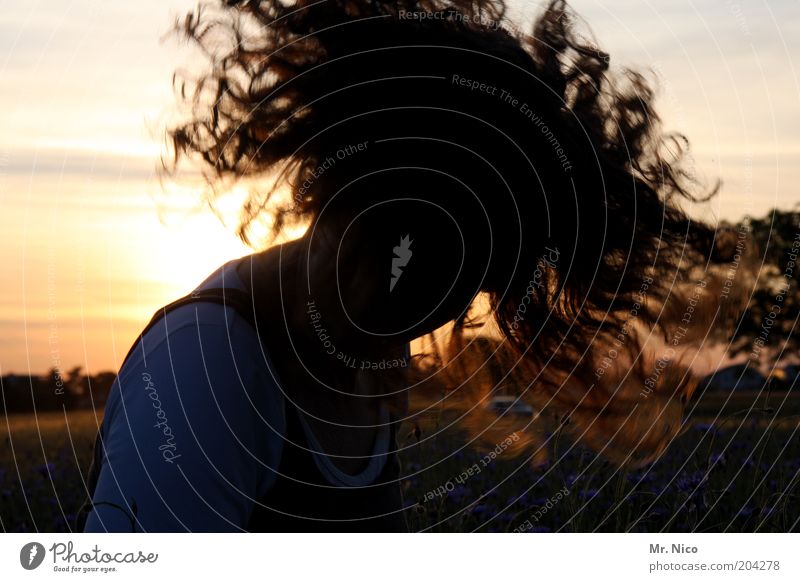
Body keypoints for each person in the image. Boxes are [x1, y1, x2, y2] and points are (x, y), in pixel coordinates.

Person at [81, 0, 732, 532]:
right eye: (376, 232)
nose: (381, 294)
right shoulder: (206, 365)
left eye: (439, 276)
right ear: (321, 186)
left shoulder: (375, 366)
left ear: (491, 286)